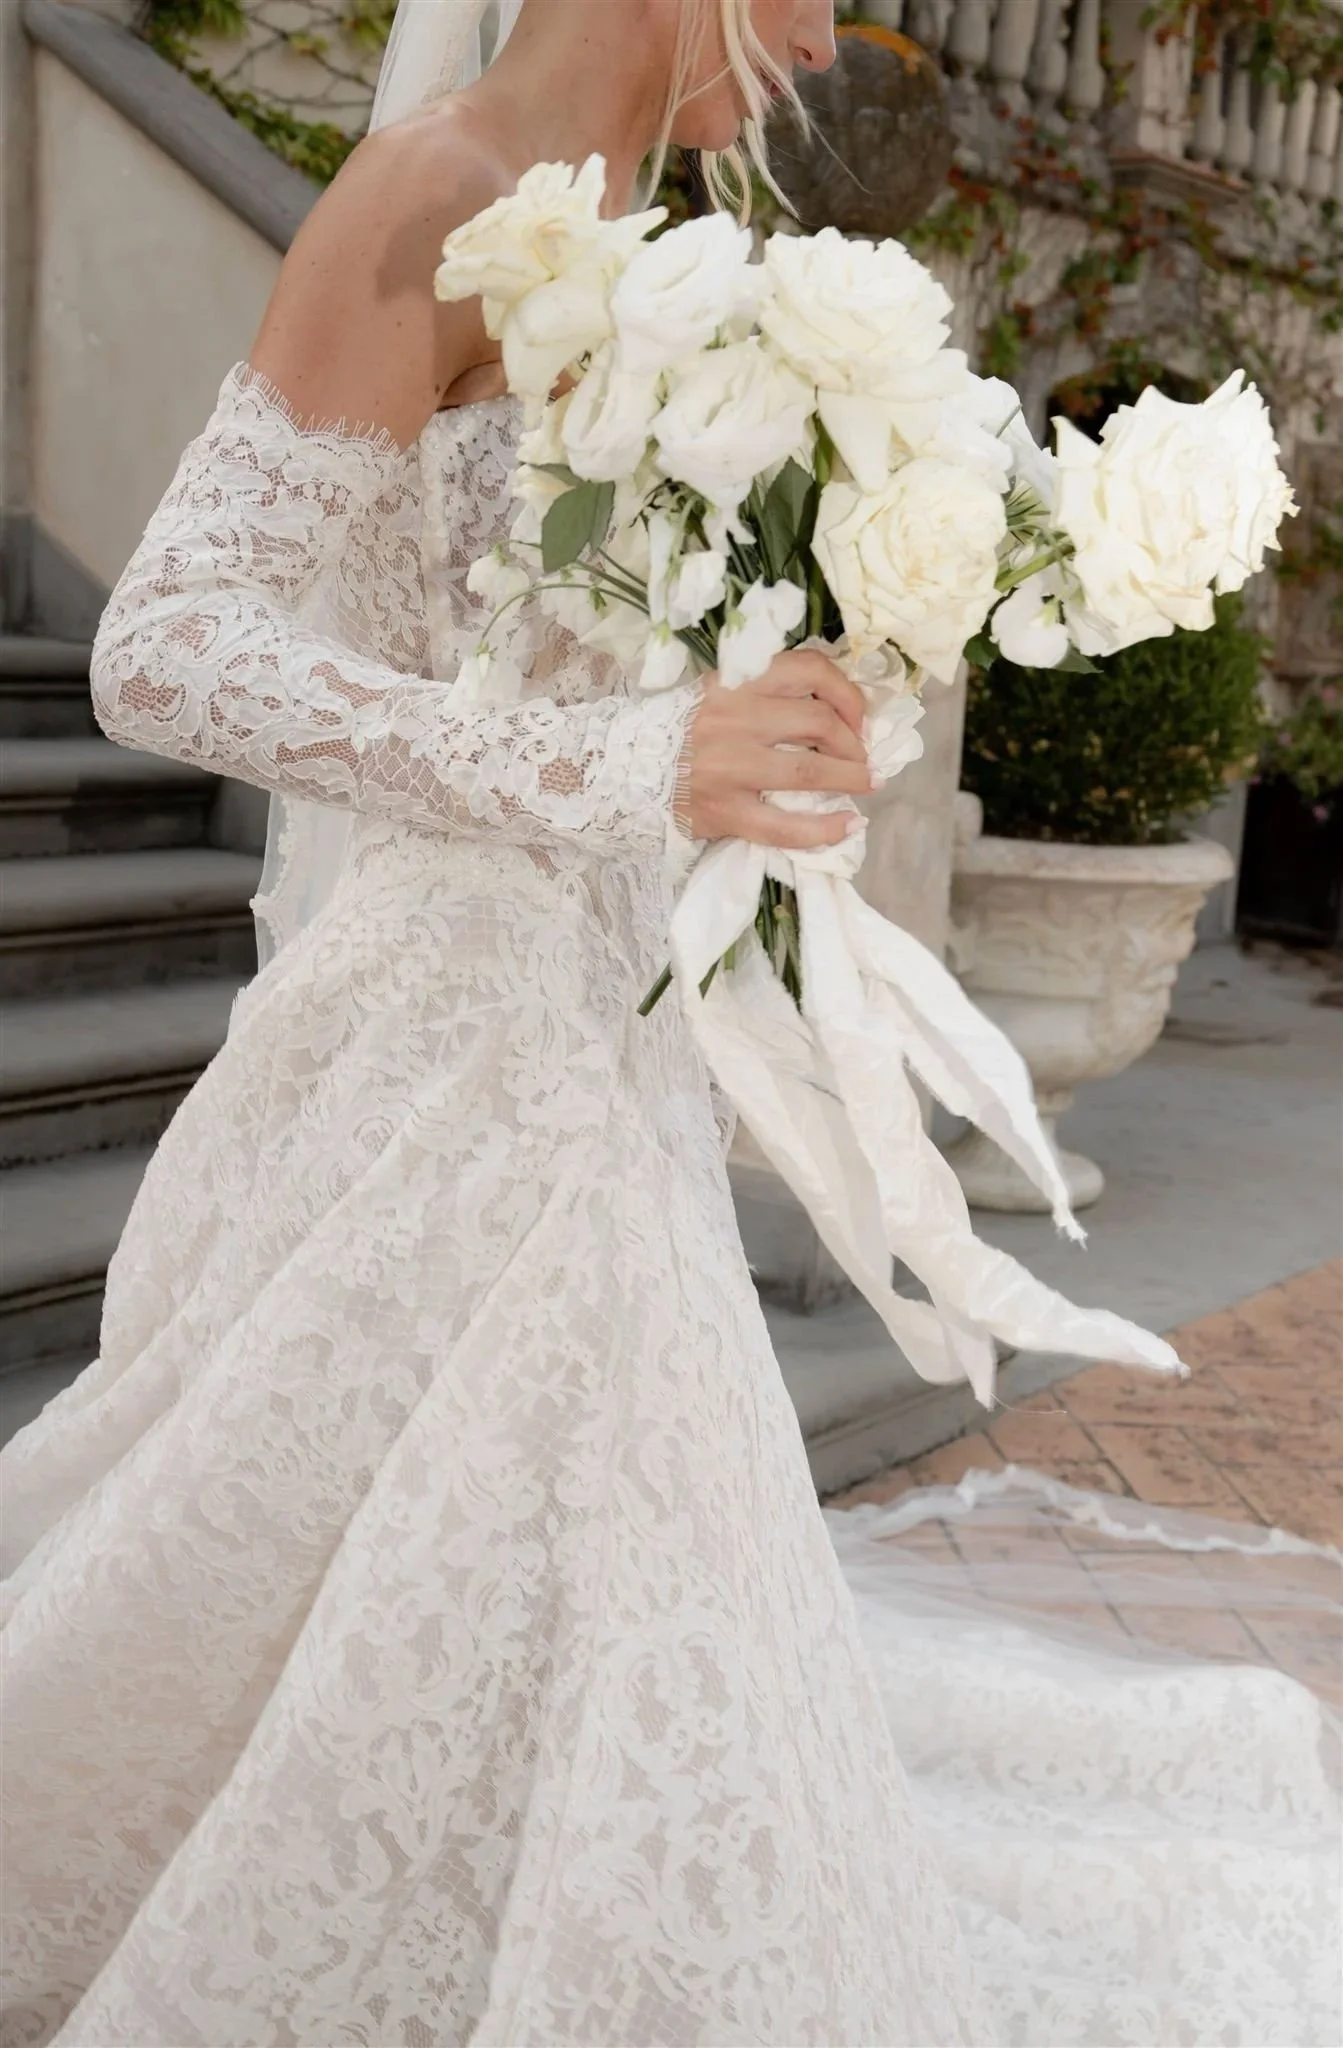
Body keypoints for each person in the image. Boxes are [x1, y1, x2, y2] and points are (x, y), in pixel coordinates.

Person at [2, 4, 1337, 2045]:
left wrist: (805, 686)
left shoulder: (684, 242)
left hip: (604, 1026)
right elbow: (171, 645)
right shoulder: (437, 189)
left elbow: (634, 655)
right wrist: (616, 762)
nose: (823, 37)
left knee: (591, 1560)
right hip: (440, 1037)